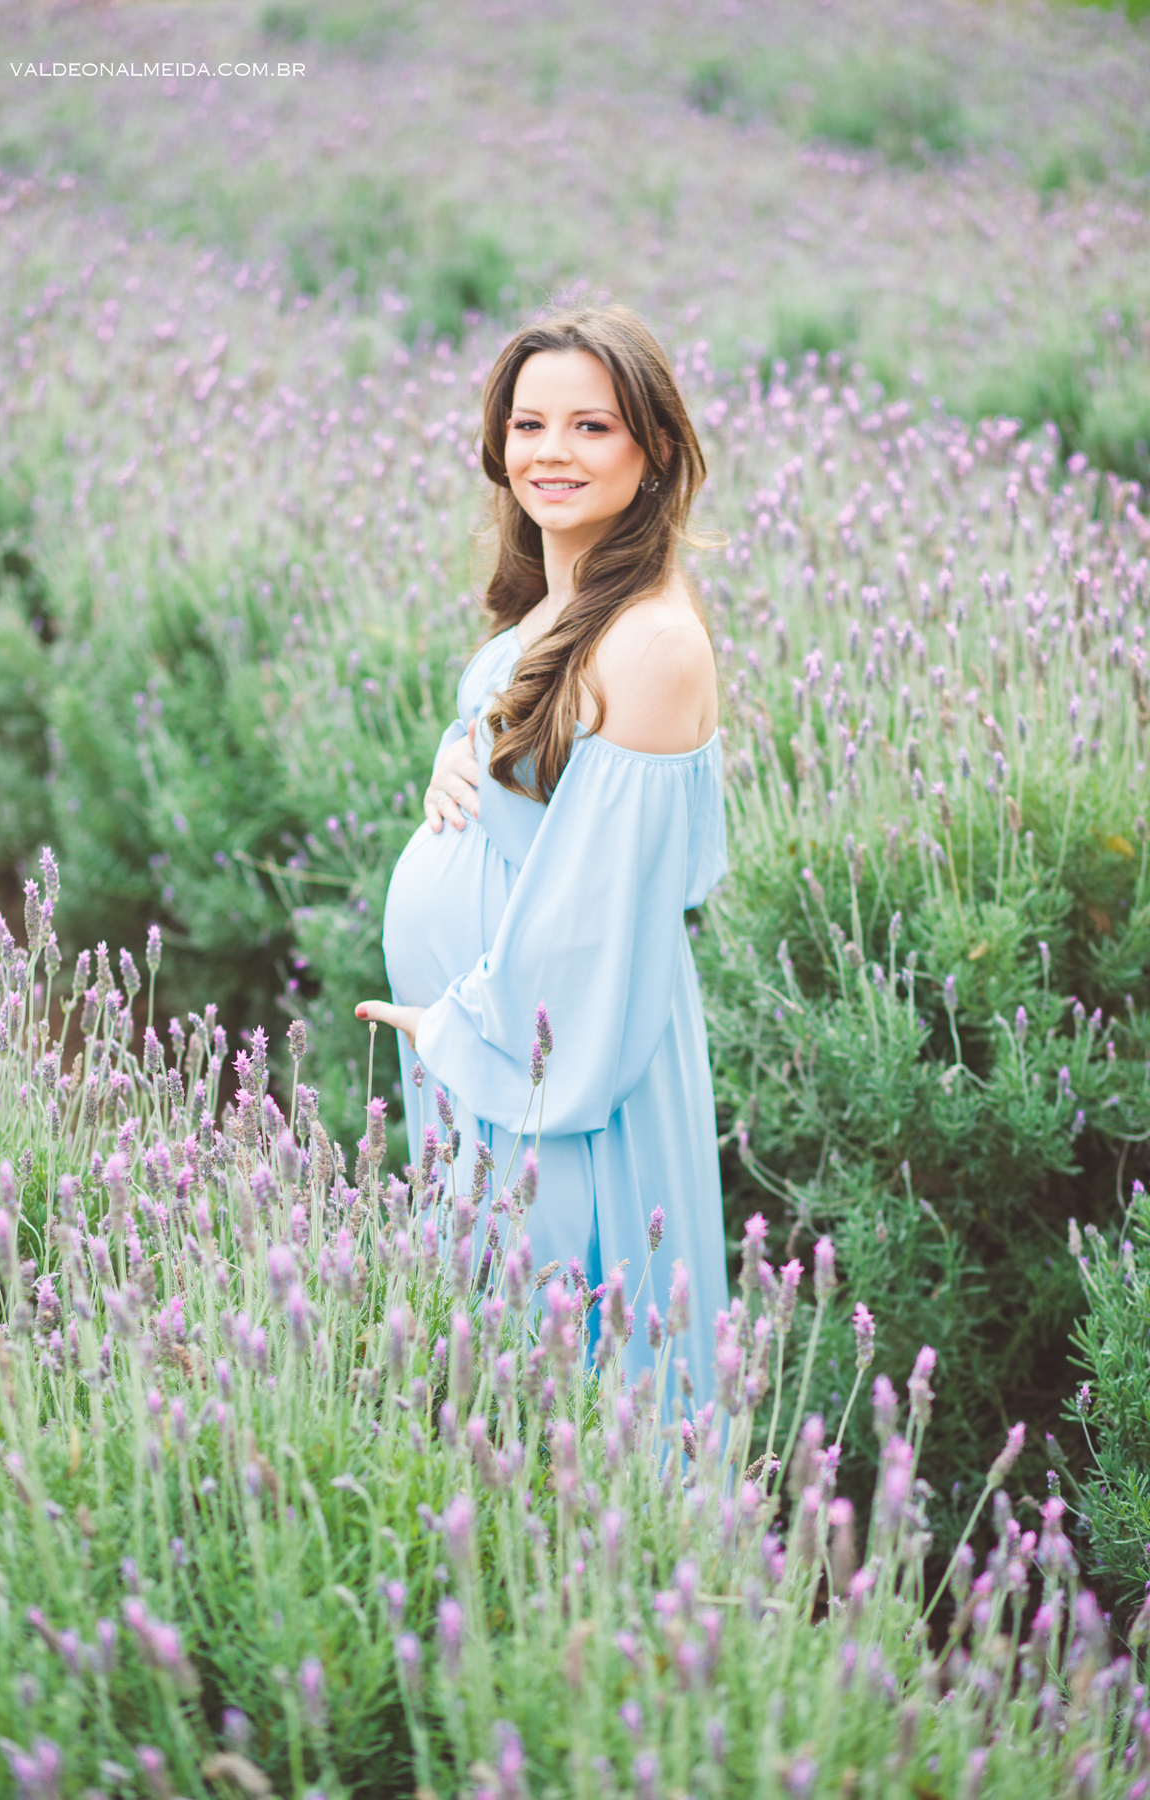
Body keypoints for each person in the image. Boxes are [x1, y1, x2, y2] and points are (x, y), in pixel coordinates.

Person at [356, 304, 729, 1397]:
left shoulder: (653, 639)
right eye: (529, 425)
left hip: (563, 1070)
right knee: (505, 1365)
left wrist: (463, 1032)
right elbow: (532, 753)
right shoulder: (569, 596)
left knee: (578, 1372)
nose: (550, 453)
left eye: (591, 427)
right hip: (499, 1052)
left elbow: (602, 917)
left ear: (656, 450)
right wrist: (453, 754)